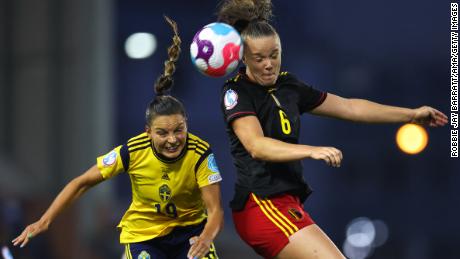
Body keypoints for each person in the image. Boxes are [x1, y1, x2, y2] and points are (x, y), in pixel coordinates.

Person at [216, 1, 448, 258]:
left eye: (274, 54)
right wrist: (311, 151)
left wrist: (411, 115)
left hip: (288, 203)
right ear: (244, 57)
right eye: (259, 58)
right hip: (260, 204)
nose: (269, 64)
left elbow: (350, 108)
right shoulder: (237, 91)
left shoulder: (289, 86)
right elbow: (256, 147)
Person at [12, 16, 223, 259]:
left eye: (179, 130)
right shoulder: (132, 152)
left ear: (187, 125)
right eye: (162, 133)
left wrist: (207, 238)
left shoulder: (200, 153)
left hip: (192, 235)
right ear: (148, 132)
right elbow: (81, 182)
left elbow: (215, 209)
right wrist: (45, 220)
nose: (173, 139)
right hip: (146, 237)